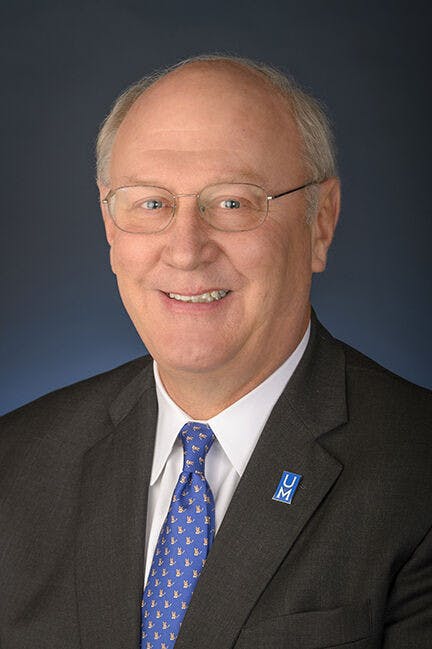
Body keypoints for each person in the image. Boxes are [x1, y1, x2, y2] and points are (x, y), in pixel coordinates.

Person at [0, 55, 431, 649]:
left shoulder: (416, 473)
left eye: (233, 203)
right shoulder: (15, 464)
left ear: (320, 222)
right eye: (151, 203)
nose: (185, 250)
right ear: (109, 225)